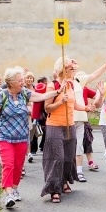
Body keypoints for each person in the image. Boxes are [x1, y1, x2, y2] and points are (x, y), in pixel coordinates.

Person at [0, 67, 60, 208]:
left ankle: (14, 189)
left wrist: (57, 92)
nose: (23, 82)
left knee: (18, 166)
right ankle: (8, 195)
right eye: (20, 80)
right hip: (5, 137)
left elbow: (40, 97)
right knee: (8, 164)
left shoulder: (24, 94)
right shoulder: (1, 96)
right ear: (11, 82)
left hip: (21, 137)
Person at [41, 57, 78, 203]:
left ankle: (63, 181)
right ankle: (54, 189)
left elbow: (74, 105)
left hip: (70, 125)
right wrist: (60, 101)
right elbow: (47, 107)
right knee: (57, 158)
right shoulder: (53, 86)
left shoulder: (71, 85)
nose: (73, 71)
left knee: (69, 158)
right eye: (71, 69)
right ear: (64, 70)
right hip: (55, 125)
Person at [71, 56, 106, 181]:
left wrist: (105, 66)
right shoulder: (63, 83)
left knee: (79, 147)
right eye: (71, 68)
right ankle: (67, 173)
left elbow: (93, 75)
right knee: (68, 147)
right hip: (67, 120)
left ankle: (79, 172)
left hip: (81, 119)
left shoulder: (78, 81)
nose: (73, 70)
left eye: (74, 68)